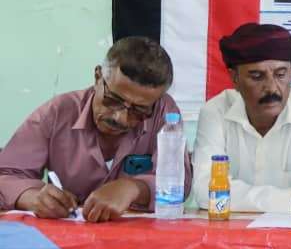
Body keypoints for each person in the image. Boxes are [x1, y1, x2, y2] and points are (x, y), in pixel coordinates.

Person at [0, 37, 190, 221]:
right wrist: (33, 198)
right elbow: (6, 174)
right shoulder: (58, 113)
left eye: (139, 110)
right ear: (98, 77)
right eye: (113, 100)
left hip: (138, 238)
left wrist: (134, 188)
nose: (120, 118)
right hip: (68, 238)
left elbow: (181, 184)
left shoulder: (164, 113)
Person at [192, 23, 291, 213]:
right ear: (235, 78)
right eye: (257, 76)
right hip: (233, 232)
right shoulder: (215, 112)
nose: (272, 88)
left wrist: (248, 198)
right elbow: (205, 191)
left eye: (280, 75)